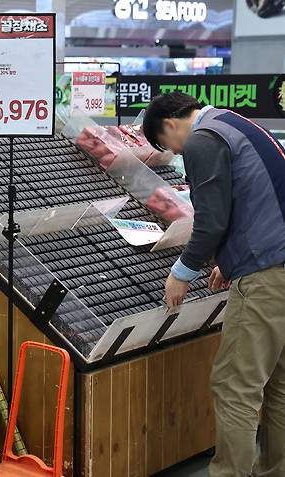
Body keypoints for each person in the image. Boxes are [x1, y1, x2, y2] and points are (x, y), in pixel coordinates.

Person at [142, 92, 285, 477]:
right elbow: (255, 200)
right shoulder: (235, 123)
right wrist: (227, 258)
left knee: (235, 386)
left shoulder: (202, 139)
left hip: (266, 277)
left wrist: (182, 273)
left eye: (166, 145)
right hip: (277, 263)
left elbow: (211, 220)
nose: (173, 152)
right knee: (279, 386)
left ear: (170, 125)